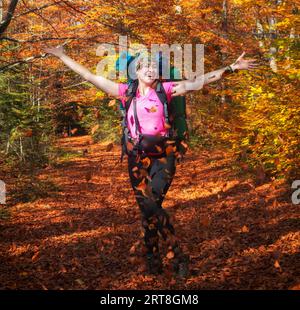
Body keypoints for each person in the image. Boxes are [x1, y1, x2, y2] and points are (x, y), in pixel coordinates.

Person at [43, 45, 258, 277]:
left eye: (153, 66)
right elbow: (89, 75)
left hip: (164, 156)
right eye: (145, 66)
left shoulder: (167, 90)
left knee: (151, 205)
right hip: (137, 157)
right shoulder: (124, 92)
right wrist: (63, 55)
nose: (150, 69)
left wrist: (231, 68)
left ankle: (178, 255)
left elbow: (199, 82)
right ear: (136, 71)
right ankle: (153, 258)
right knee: (147, 208)